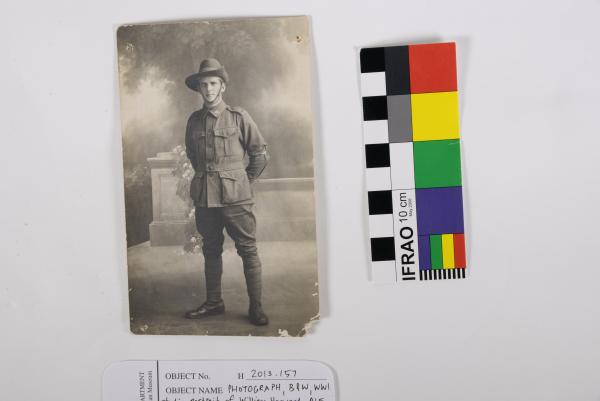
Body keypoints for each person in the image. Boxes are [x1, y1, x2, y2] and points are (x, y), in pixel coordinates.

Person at [183, 58, 269, 326]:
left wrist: (243, 181)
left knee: (247, 249)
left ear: (222, 86)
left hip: (236, 198)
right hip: (206, 199)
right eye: (203, 85)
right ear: (198, 89)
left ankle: (256, 307)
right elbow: (194, 157)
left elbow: (259, 154)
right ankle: (214, 302)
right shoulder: (194, 121)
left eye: (212, 83)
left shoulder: (239, 117)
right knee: (210, 249)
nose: (208, 89)